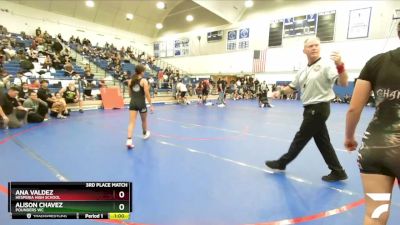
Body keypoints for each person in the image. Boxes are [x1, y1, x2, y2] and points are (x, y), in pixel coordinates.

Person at [265, 37, 349, 182]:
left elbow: (344, 82)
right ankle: (338, 171)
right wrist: (280, 92)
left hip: (319, 108)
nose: (314, 48)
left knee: (301, 137)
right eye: (310, 46)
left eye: (316, 45)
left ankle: (282, 163)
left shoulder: (326, 66)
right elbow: (292, 87)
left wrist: (340, 65)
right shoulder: (303, 71)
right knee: (323, 142)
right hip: (309, 108)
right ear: (304, 50)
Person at [344, 21, 400, 225]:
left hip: (376, 149)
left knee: (375, 215)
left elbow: (354, 108)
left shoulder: (376, 62)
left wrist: (349, 137)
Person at [126, 64, 154, 149]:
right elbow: (147, 93)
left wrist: (135, 98)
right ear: (141, 72)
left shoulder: (130, 81)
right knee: (144, 120)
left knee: (131, 122)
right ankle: (145, 134)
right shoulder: (144, 81)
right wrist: (151, 104)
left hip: (133, 102)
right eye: (144, 71)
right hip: (141, 103)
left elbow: (130, 94)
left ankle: (129, 141)